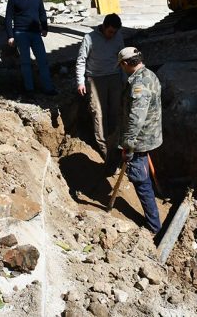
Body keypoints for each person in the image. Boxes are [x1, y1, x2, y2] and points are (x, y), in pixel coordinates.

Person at [117, 46, 162, 234]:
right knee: (143, 175)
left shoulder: (139, 85)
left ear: (126, 63)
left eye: (121, 65)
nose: (121, 68)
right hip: (152, 134)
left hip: (141, 140)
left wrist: (128, 144)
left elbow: (136, 118)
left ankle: (154, 227)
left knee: (140, 181)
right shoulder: (151, 74)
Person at [76, 13, 124, 169]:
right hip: (95, 78)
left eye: (115, 32)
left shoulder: (118, 37)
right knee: (98, 114)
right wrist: (80, 82)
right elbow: (81, 60)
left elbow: (122, 59)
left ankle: (115, 144)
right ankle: (106, 152)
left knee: (115, 112)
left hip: (114, 77)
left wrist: (125, 79)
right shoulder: (89, 38)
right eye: (110, 32)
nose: (112, 35)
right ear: (103, 27)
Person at [5, 0, 57, 97]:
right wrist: (10, 35)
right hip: (20, 33)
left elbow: (42, 13)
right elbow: (8, 18)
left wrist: (45, 28)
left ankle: (48, 88)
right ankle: (29, 90)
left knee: (43, 60)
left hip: (35, 33)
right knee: (26, 62)